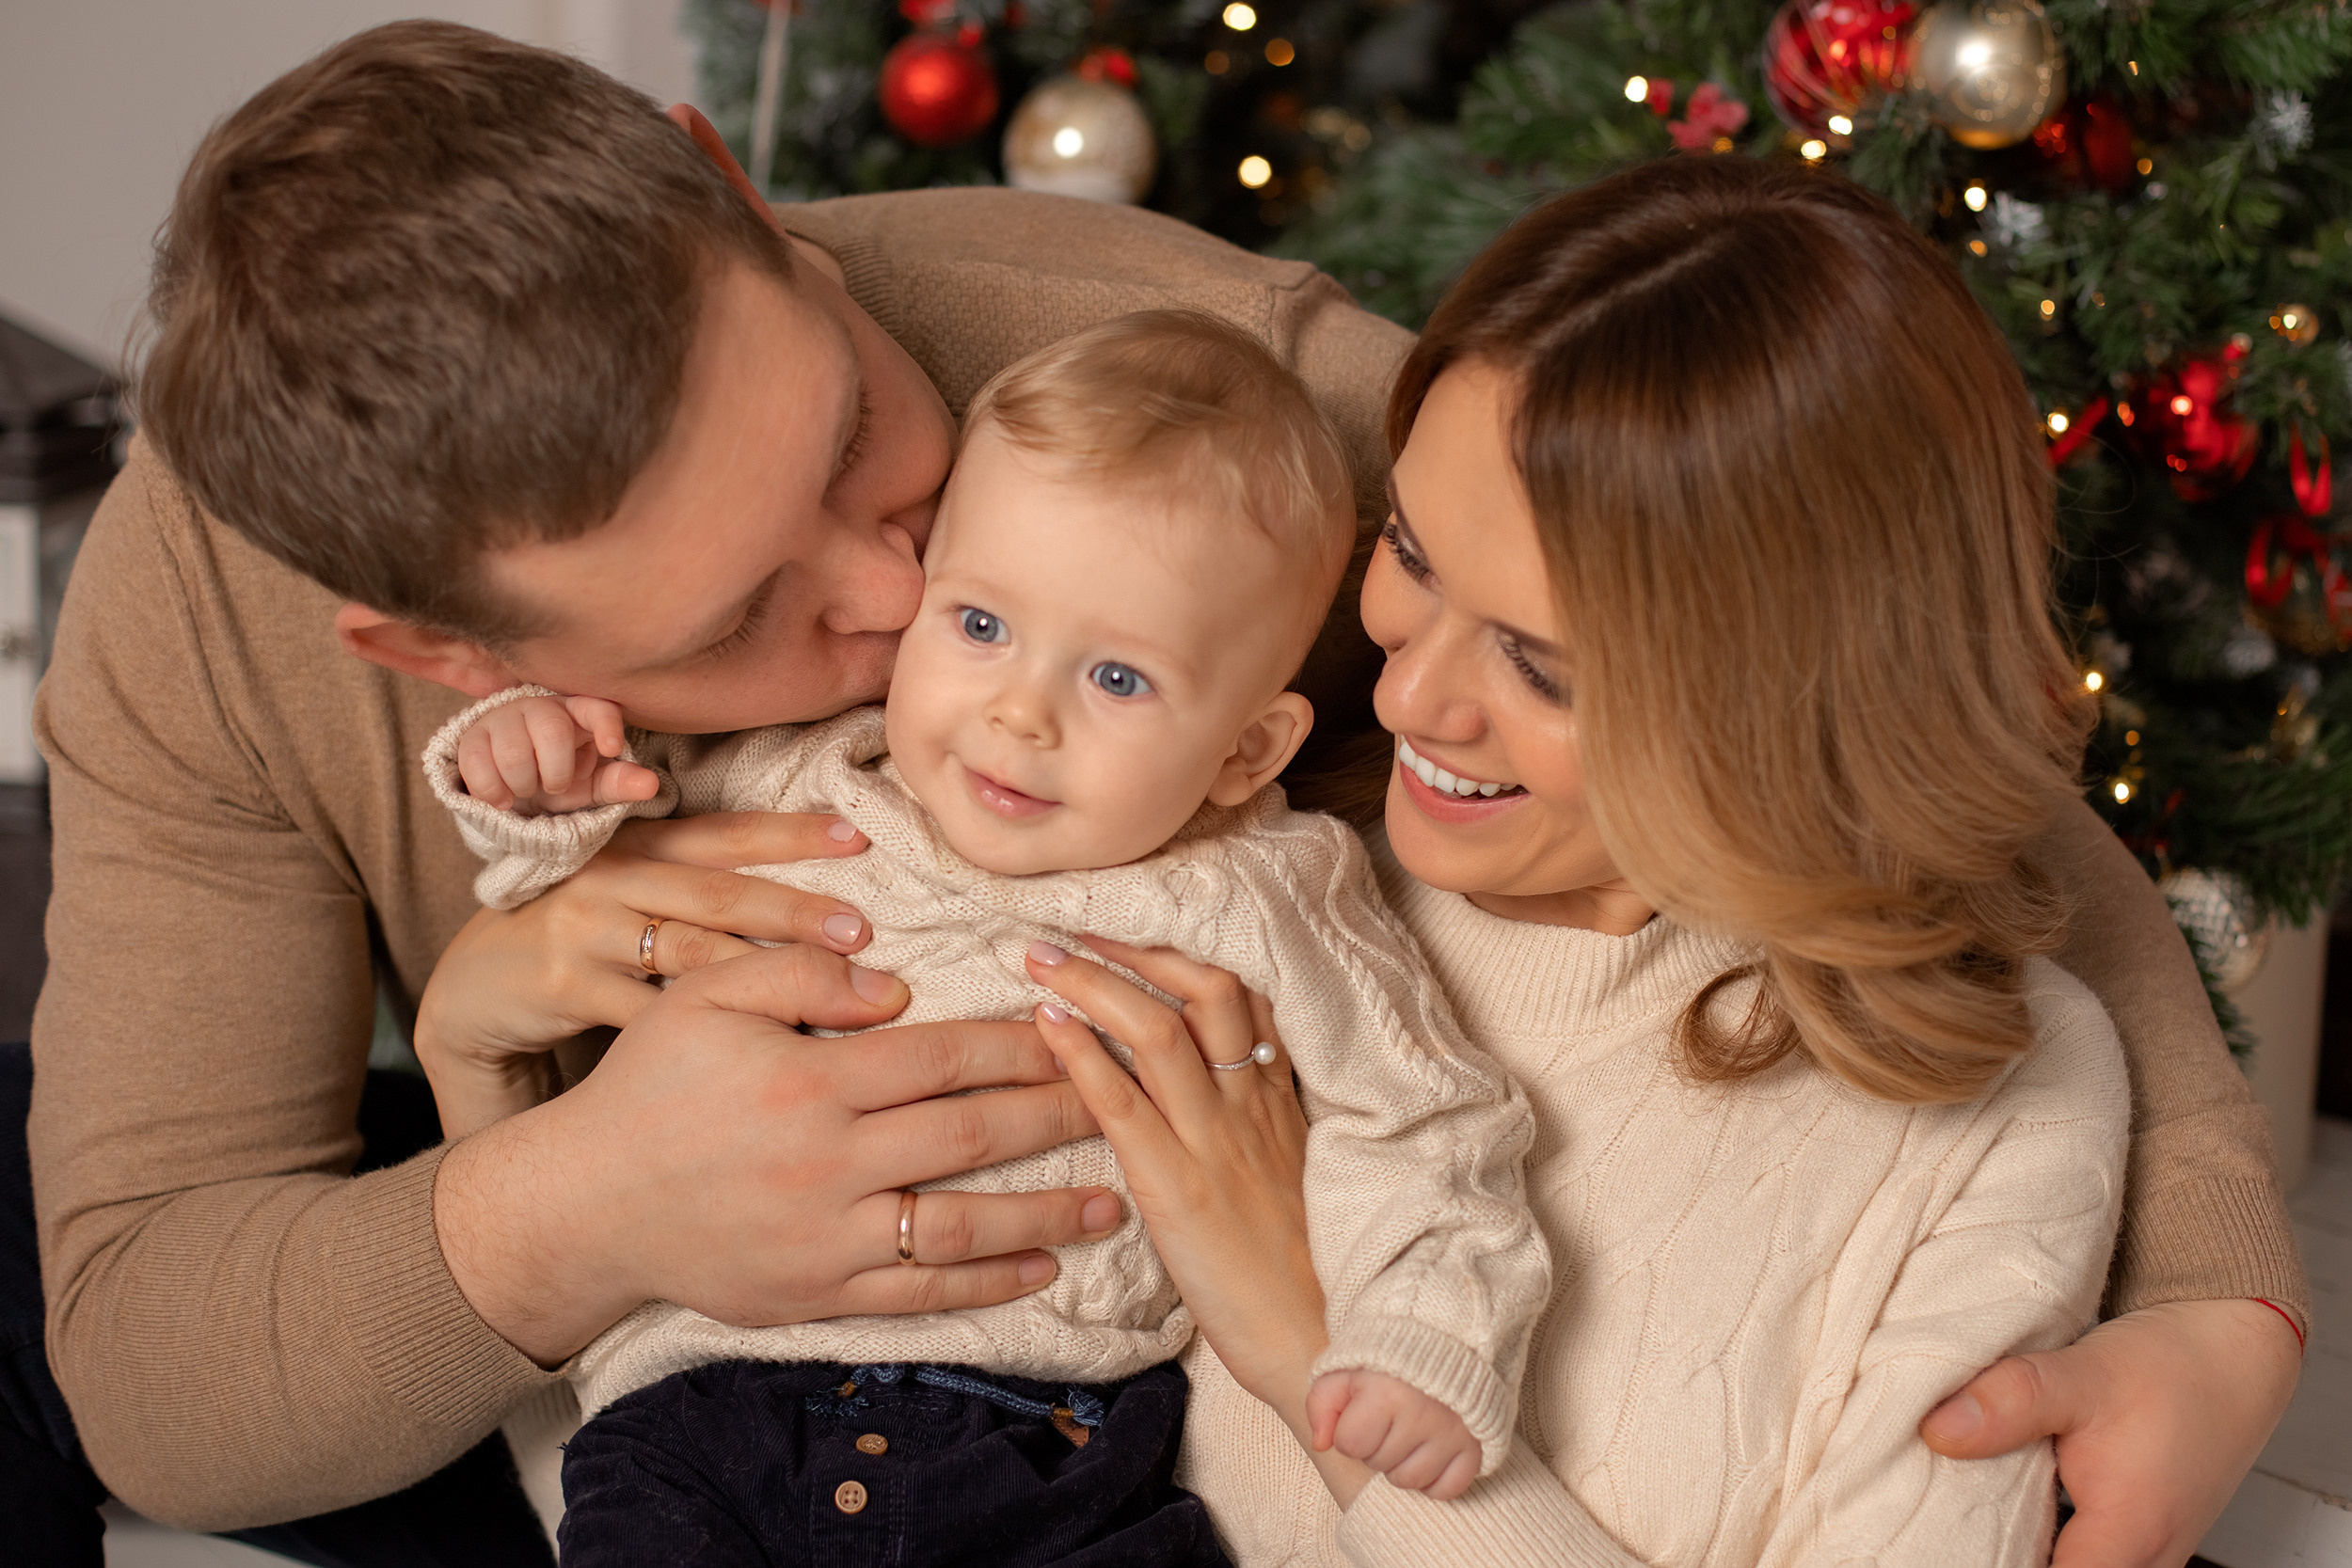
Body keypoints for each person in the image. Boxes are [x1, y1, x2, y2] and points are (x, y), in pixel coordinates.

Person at [14, 20, 2298, 1567]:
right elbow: (150, 1355)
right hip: (604, 1275)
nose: (899, 592)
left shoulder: (1202, 387)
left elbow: (1852, 697)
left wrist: (2215, 1299)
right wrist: (563, 1202)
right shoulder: (207, 623)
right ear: (440, 655)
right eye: (739, 623)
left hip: (1096, 1395)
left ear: (731, 189)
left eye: (851, 449)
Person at [1010, 155, 2295, 1566]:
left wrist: (1305, 1339)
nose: (1407, 701)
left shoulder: (1991, 1121)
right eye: (1415, 556)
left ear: (1801, 699)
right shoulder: (1249, 862)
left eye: (1541, 665)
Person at [424, 310, 1547, 1562]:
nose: (1018, 714)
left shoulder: (1262, 898)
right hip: (701, 1412)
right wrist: (533, 775)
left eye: (1116, 680)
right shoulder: (805, 783)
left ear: (1247, 750)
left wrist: (1426, 1342)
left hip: (1047, 1446)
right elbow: (581, 873)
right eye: (978, 626)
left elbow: (1432, 1121)